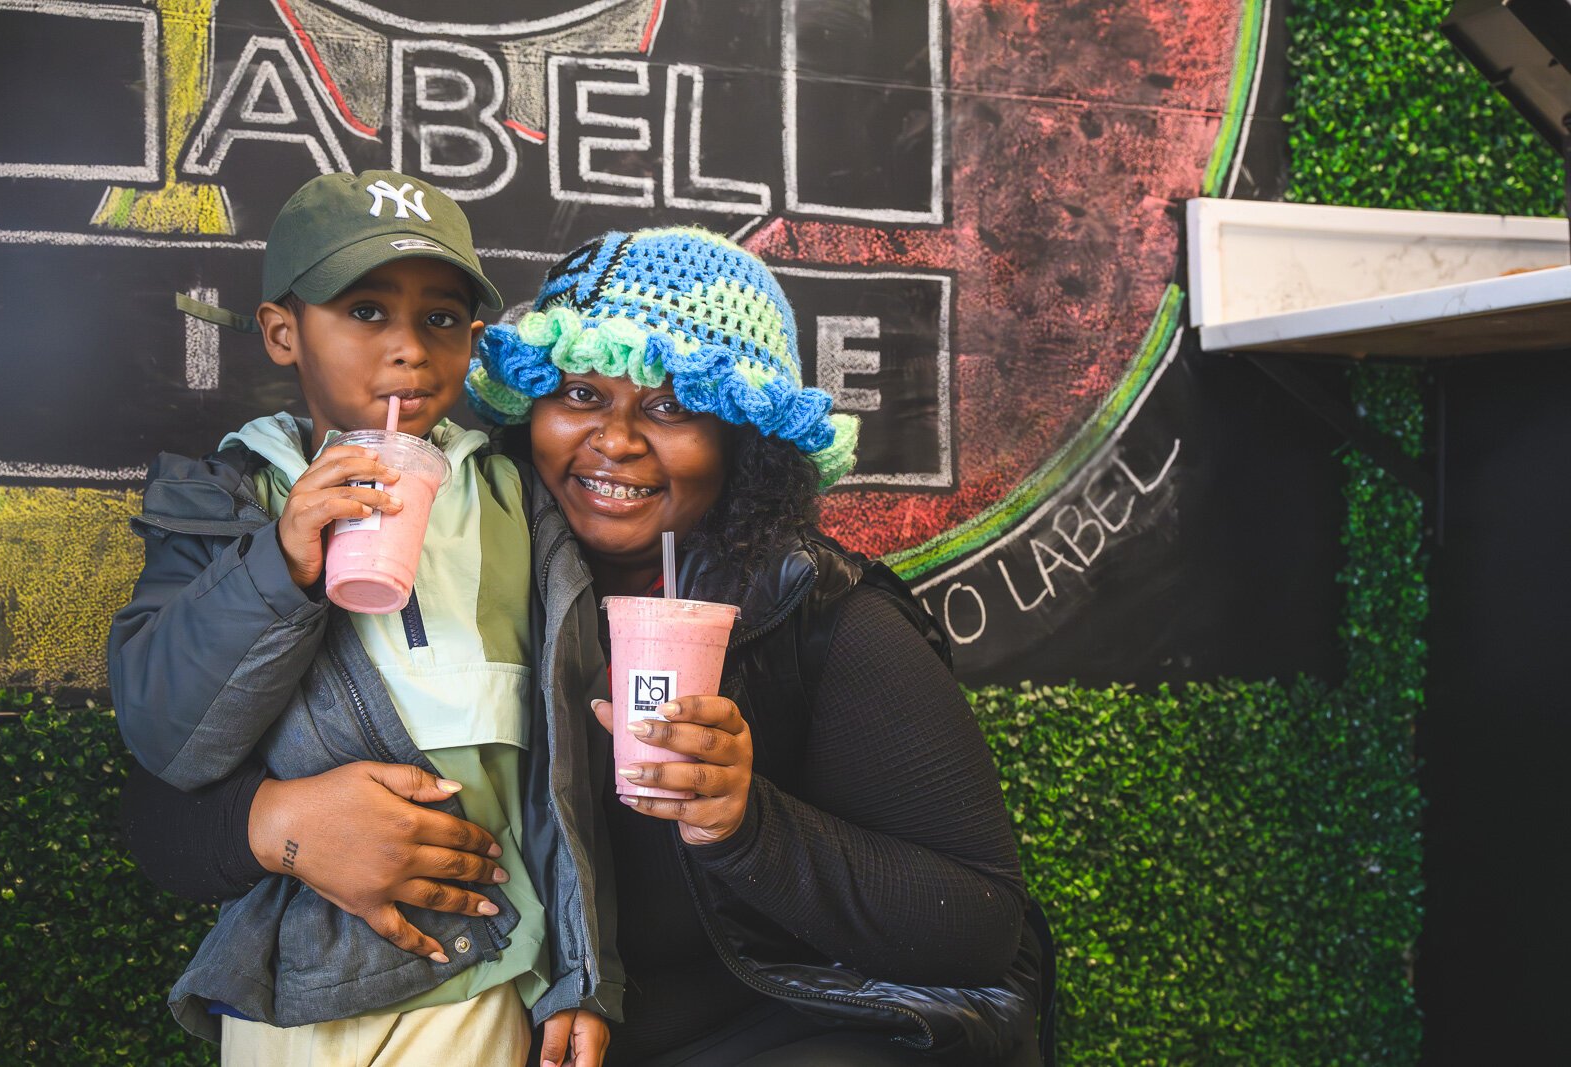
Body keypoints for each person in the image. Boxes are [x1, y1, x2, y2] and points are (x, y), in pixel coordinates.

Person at [122, 227, 1046, 1064]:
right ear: (528, 408)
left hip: (787, 1027)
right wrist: (279, 825)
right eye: (579, 394)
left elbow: (979, 923)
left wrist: (744, 823)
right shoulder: (458, 567)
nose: (615, 441)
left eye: (673, 408)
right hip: (538, 1030)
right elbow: (160, 808)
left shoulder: (819, 614)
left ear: (741, 440)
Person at [107, 170, 619, 1066]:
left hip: (480, 964)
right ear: (281, 331)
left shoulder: (516, 499)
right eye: (366, 311)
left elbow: (561, 767)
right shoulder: (226, 502)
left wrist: (583, 972)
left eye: (442, 318)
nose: (410, 350)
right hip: (294, 980)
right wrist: (282, 559)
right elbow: (165, 732)